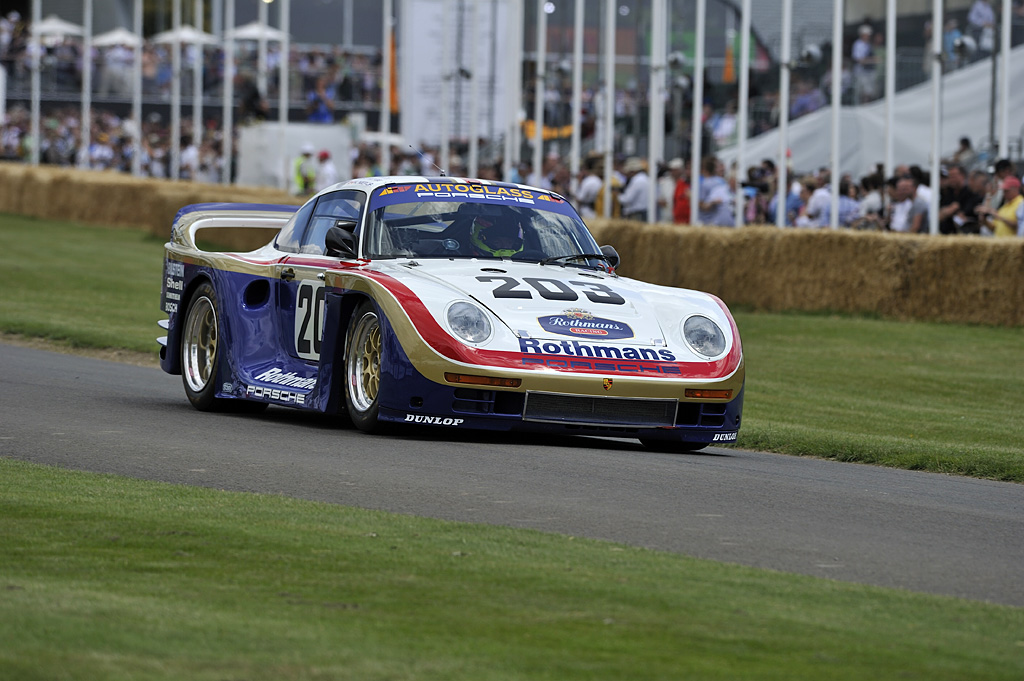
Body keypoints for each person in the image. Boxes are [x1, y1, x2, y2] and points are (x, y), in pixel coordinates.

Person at [619, 157, 650, 221]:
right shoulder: (646, 178)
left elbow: (627, 199)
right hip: (644, 211)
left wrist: (617, 196)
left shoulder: (636, 180)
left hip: (636, 214)